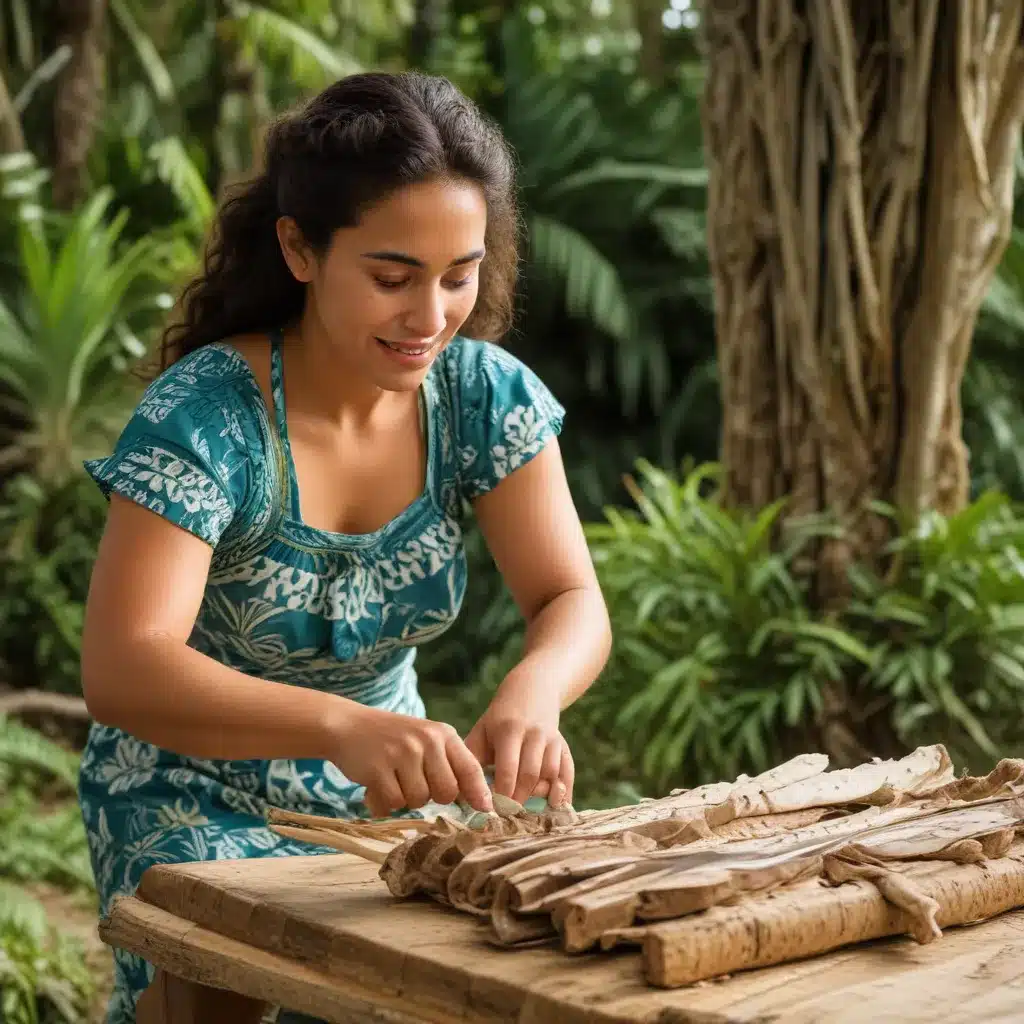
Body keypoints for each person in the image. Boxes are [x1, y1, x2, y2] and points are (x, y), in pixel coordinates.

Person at [77, 70, 612, 1023]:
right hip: (185, 782)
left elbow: (571, 599)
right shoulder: (206, 417)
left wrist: (533, 690)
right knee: (221, 970)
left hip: (386, 791)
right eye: (392, 276)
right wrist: (340, 728)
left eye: (461, 274)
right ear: (299, 248)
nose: (431, 318)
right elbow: (124, 667)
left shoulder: (484, 397)